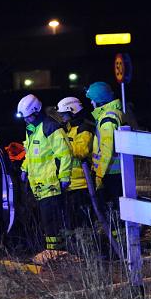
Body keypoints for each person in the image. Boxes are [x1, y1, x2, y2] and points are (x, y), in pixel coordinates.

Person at [17, 95, 73, 252]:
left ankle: (55, 253)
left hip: (52, 184)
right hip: (39, 186)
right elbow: (31, 154)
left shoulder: (50, 127)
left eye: (28, 117)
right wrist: (24, 168)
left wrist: (64, 177)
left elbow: (65, 154)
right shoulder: (32, 130)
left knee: (52, 221)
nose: (26, 121)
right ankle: (54, 251)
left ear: (36, 111)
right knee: (46, 221)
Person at [56, 96, 95, 229]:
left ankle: (88, 246)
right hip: (70, 183)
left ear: (72, 111)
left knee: (83, 222)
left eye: (64, 114)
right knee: (71, 223)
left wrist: (61, 147)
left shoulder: (85, 128)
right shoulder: (68, 128)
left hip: (82, 184)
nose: (62, 117)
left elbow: (82, 151)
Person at [85, 82, 124, 206]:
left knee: (114, 207)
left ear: (100, 100)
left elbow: (107, 149)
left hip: (111, 172)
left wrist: (99, 174)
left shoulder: (108, 119)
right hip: (112, 172)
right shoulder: (111, 114)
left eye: (92, 100)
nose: (91, 103)